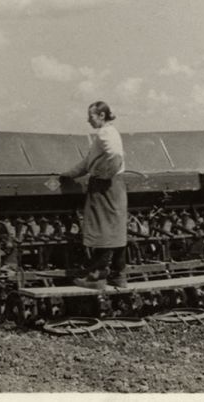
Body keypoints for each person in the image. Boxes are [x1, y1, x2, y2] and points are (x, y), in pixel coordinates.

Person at [59, 101, 128, 289]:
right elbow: (87, 163)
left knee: (102, 229)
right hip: (116, 186)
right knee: (116, 230)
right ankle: (119, 275)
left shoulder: (106, 133)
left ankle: (96, 277)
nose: (88, 120)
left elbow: (115, 156)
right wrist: (69, 174)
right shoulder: (109, 133)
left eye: (91, 116)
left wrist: (103, 176)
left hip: (105, 186)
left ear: (101, 116)